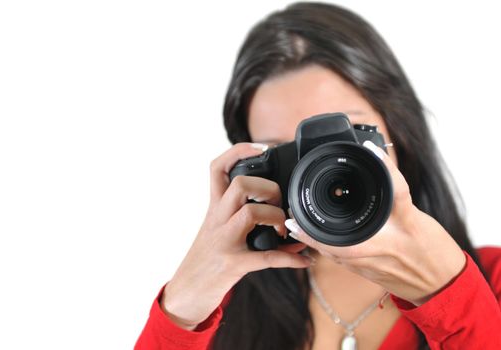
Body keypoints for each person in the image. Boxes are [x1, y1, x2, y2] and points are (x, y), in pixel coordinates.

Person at [135, 2, 501, 349]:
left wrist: (448, 292)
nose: (322, 168)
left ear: (398, 133)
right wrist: (183, 305)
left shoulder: (492, 280)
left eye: (350, 135)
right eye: (284, 150)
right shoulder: (217, 306)